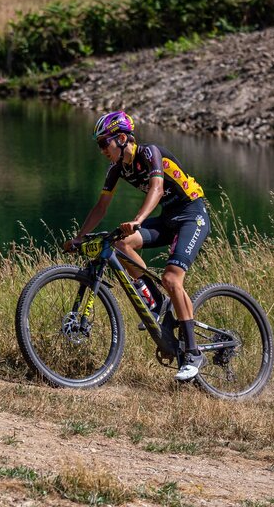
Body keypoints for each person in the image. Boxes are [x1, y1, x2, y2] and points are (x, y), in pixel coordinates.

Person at [63, 110, 211, 382]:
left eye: (103, 143)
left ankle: (193, 353)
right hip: (169, 217)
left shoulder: (150, 153)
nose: (101, 150)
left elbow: (156, 189)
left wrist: (138, 220)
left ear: (121, 139)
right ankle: (157, 302)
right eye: (99, 145)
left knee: (171, 278)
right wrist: (80, 237)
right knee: (121, 244)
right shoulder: (117, 168)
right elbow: (101, 206)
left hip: (192, 215)